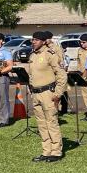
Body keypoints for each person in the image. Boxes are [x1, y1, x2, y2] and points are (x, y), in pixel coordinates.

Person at [27, 32, 67, 162]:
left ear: (44, 41)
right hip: (36, 93)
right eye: (32, 39)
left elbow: (61, 75)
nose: (33, 42)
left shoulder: (50, 54)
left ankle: (56, 152)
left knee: (51, 122)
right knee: (41, 124)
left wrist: (58, 94)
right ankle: (46, 151)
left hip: (48, 93)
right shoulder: (32, 55)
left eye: (37, 40)